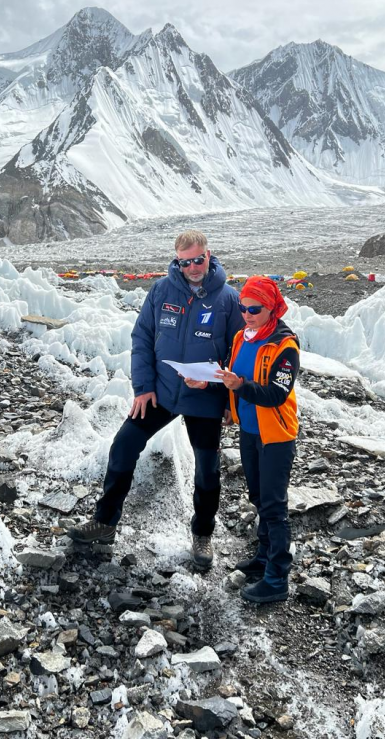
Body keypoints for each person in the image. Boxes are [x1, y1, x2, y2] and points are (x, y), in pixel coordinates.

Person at [68, 230, 243, 569]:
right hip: (161, 392)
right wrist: (143, 387)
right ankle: (104, 523)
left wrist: (222, 395)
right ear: (177, 260)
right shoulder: (162, 290)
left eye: (198, 259)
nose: (192, 267)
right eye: (185, 261)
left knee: (207, 470)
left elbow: (238, 353)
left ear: (209, 255)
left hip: (204, 397)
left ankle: (203, 534)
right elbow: (143, 336)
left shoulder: (228, 300)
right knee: (123, 445)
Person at [218, 275, 300, 604]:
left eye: (255, 309)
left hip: (276, 435)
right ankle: (264, 557)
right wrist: (228, 402)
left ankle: (277, 578)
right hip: (249, 431)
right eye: (243, 308)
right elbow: (232, 373)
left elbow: (277, 394)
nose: (247, 314)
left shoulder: (285, 346)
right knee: (257, 496)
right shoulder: (242, 337)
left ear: (271, 309)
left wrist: (240, 388)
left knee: (274, 506)